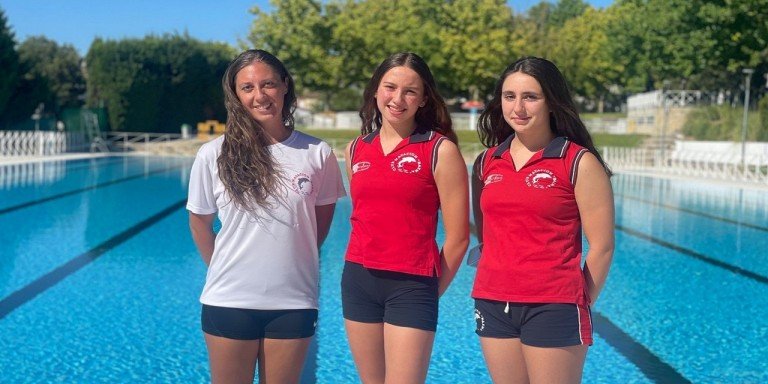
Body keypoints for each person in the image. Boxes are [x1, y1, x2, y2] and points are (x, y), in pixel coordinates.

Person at [187, 49, 346, 384]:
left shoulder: (317, 154)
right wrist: (221, 266)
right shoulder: (213, 154)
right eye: (247, 88)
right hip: (229, 300)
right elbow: (199, 220)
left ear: (284, 86)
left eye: (268, 84)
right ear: (236, 95)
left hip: (293, 301)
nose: (259, 95)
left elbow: (319, 224)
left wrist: (291, 257)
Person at [471, 56, 615, 384]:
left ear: (551, 102)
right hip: (493, 300)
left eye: (530, 97)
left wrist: (575, 300)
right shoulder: (487, 162)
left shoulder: (578, 161)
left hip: (554, 303)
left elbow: (603, 246)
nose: (518, 107)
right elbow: (487, 234)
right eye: (510, 97)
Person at [341, 52, 470, 383]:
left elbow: (458, 238)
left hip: (413, 284)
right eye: (390, 87)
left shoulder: (439, 150)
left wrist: (426, 292)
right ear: (375, 90)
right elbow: (366, 215)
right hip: (358, 280)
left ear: (424, 99)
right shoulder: (355, 149)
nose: (397, 99)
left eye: (410, 91)